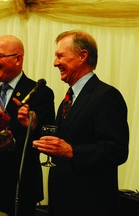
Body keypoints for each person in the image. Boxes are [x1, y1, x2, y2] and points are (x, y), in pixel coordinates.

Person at [32, 30, 129, 216]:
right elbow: (63, 138)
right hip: (62, 202)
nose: (55, 63)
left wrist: (72, 151)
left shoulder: (106, 95)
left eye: (60, 56)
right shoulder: (69, 98)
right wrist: (36, 126)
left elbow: (116, 150)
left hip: (89, 205)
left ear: (82, 56)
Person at [0, 35, 55, 216]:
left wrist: (30, 127)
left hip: (18, 184)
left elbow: (46, 139)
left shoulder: (40, 92)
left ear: (18, 59)